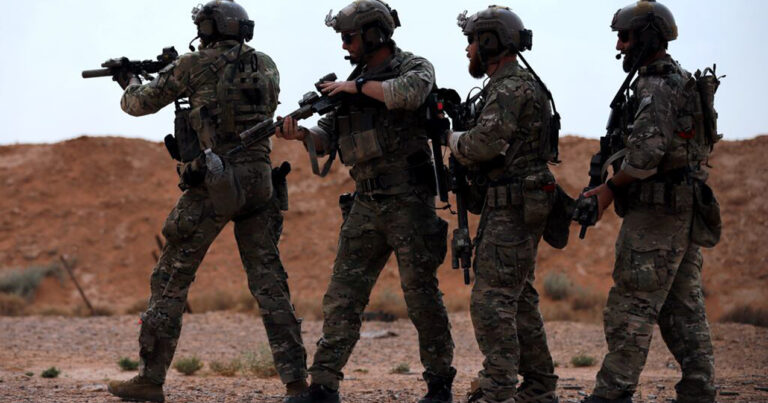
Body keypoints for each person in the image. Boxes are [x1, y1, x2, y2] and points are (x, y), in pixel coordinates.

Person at [105, 1, 308, 402]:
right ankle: (297, 382)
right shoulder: (265, 64)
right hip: (260, 182)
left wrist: (129, 80)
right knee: (270, 284)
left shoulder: (191, 65)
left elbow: (138, 104)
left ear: (208, 28)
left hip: (214, 182)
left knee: (170, 279)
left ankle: (149, 379)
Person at [277, 1, 455, 402]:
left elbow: (408, 94)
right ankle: (324, 384)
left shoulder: (412, 67)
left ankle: (439, 382)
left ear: (374, 34)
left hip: (409, 201)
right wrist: (300, 134)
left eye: (349, 36)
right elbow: (325, 138)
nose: (344, 44)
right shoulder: (350, 84)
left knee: (422, 297)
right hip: (366, 204)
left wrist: (353, 87)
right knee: (342, 296)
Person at [578, 1, 717, 402]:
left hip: (657, 214)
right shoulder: (676, 78)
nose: (619, 46)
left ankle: (612, 393)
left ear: (648, 37)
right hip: (680, 209)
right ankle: (699, 390)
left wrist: (609, 190)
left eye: (625, 37)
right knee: (682, 309)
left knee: (631, 305)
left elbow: (645, 156)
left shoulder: (656, 86)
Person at [447, 6, 562, 403]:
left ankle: (497, 387)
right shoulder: (511, 85)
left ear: (490, 41)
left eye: (472, 40)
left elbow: (483, 144)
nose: (468, 49)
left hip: (513, 203)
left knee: (491, 298)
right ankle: (539, 387)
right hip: (514, 201)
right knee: (520, 297)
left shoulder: (510, 87)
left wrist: (450, 139)